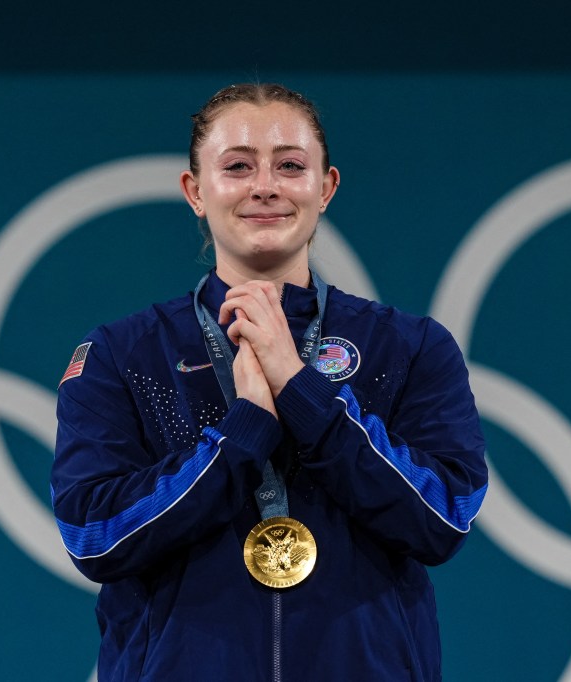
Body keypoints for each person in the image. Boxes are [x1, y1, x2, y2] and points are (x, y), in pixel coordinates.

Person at [51, 82, 488, 682]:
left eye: (290, 165)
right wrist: (243, 432)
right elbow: (94, 534)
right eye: (236, 167)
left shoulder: (410, 346)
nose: (265, 186)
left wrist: (301, 391)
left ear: (325, 187)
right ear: (195, 191)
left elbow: (443, 518)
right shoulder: (120, 354)